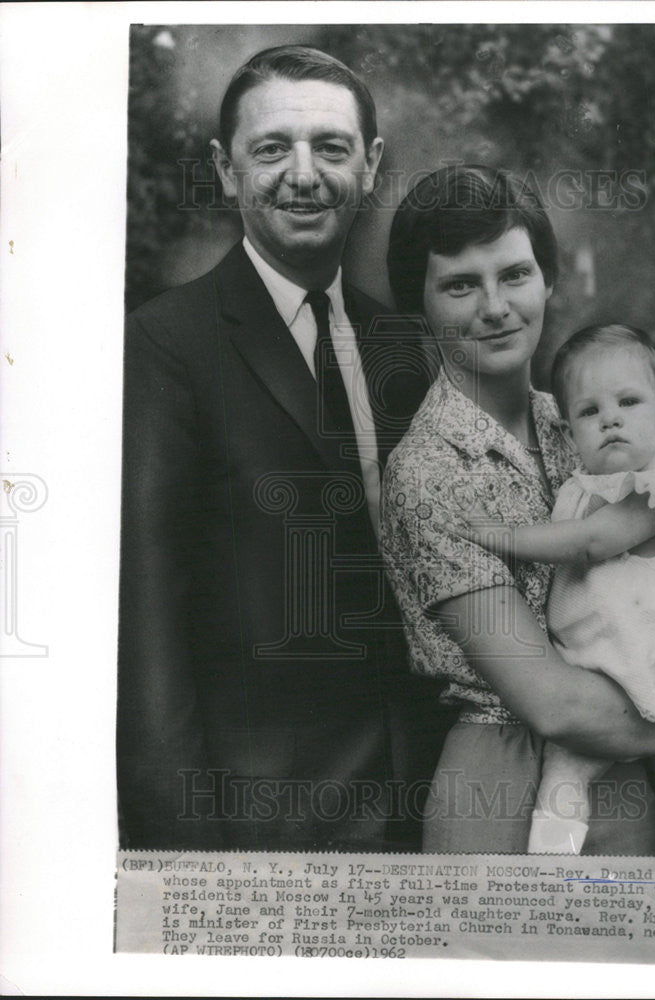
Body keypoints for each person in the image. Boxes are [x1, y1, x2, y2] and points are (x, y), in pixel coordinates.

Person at [117, 45, 449, 851]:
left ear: (368, 165)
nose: (303, 174)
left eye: (330, 147)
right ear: (226, 170)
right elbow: (145, 627)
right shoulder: (164, 346)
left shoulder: (406, 347)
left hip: (429, 805)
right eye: (272, 148)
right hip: (262, 824)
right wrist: (184, 859)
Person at [380, 165, 655, 854]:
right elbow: (551, 703)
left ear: (547, 280)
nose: (494, 306)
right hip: (503, 777)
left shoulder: (578, 426)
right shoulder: (429, 470)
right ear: (419, 304)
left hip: (630, 769)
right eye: (460, 284)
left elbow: (654, 575)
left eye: (514, 274)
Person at [462, 324, 655, 856]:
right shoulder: (578, 488)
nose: (610, 418)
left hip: (653, 664)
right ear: (568, 435)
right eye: (589, 412)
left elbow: (590, 543)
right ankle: (555, 875)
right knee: (565, 772)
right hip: (598, 672)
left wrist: (501, 536)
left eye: (628, 402)